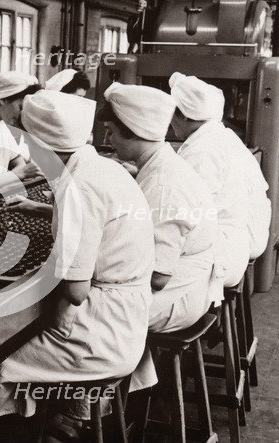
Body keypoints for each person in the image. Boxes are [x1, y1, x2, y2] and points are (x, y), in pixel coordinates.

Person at [0, 90, 155, 436]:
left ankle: (5, 431)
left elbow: (76, 291)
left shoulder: (79, 186)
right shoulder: (103, 167)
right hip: (126, 315)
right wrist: (45, 210)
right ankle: (53, 420)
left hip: (100, 331)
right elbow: (98, 225)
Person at [99, 82, 221, 390]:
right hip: (188, 288)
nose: (106, 139)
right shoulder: (159, 166)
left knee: (73, 314)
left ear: (134, 131)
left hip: (173, 298)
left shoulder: (165, 185)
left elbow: (157, 277)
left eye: (111, 131)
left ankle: (79, 411)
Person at [170, 72, 271, 260]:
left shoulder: (203, 150)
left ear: (184, 115)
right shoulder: (220, 135)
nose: (169, 120)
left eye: (171, 113)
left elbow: (187, 209)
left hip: (227, 249)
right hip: (244, 237)